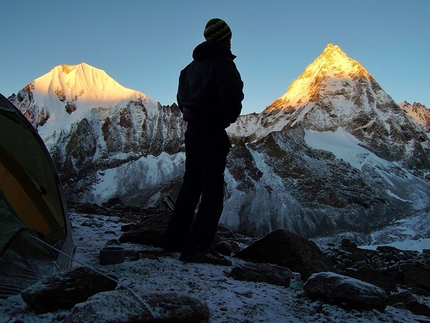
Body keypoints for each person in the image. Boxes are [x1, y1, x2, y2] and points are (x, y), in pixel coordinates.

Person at [165, 18, 244, 266]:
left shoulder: (188, 69)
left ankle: (175, 239)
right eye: (229, 38)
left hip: (193, 131)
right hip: (212, 132)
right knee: (212, 190)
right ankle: (199, 247)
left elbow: (182, 101)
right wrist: (219, 119)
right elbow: (232, 104)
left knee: (190, 186)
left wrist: (197, 116)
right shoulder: (223, 65)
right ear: (224, 39)